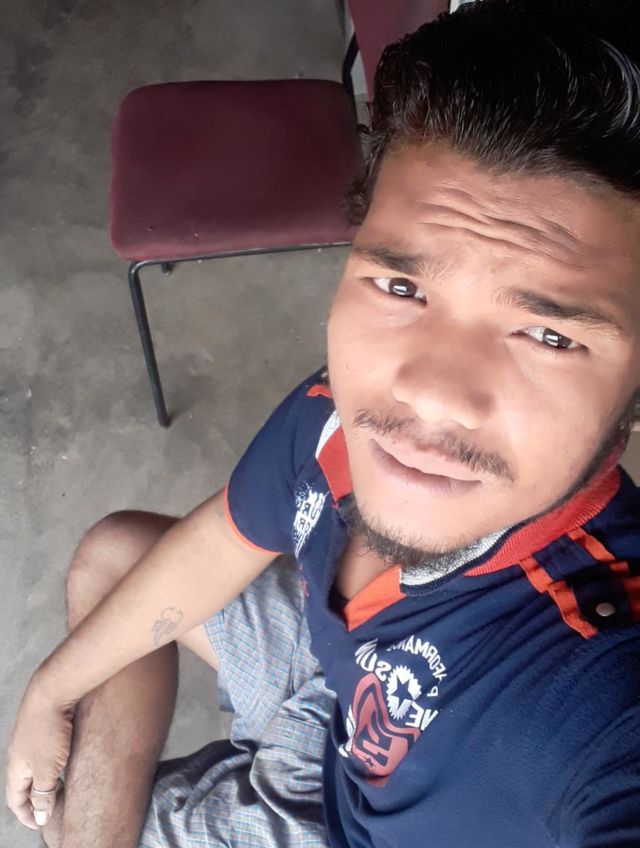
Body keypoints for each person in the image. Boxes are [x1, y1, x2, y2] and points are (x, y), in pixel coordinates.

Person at [6, 0, 640, 845]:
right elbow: (225, 538)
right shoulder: (332, 416)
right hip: (335, 710)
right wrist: (48, 692)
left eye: (550, 335)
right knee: (117, 553)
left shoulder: (592, 679)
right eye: (403, 286)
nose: (427, 394)